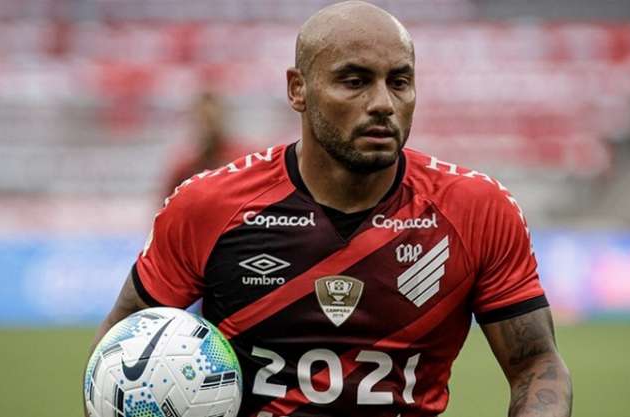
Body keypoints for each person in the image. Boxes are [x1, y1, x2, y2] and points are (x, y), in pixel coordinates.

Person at [87, 2, 573, 416]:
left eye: (399, 82)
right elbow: (119, 346)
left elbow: (536, 363)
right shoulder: (209, 205)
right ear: (298, 88)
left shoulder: (476, 209)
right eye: (355, 81)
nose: (382, 102)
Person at [162, 91, 247, 199]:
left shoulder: (242, 161)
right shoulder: (185, 167)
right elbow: (166, 207)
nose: (209, 127)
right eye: (204, 120)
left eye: (212, 119)